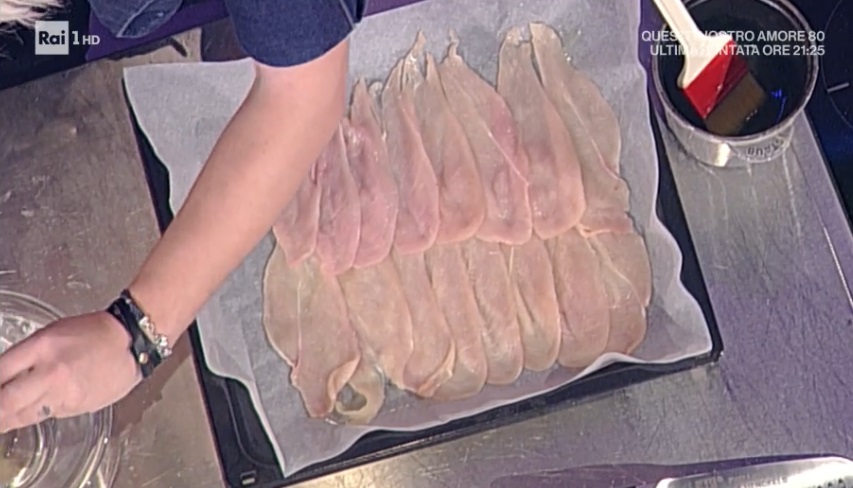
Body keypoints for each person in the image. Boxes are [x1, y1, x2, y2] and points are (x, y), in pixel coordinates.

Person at [0, 0, 366, 433]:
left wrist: (135, 334)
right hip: (39, 37)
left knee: (59, 42)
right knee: (44, 48)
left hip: (70, 30)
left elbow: (301, 95)